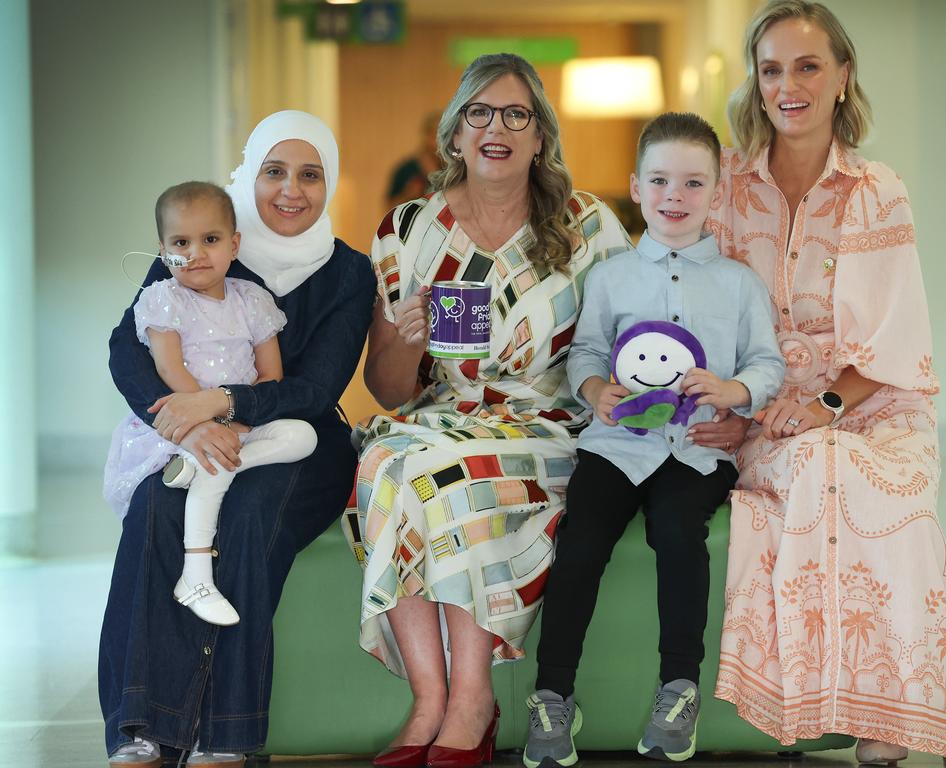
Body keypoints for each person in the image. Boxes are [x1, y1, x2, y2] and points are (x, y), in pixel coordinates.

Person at [705, 2, 946, 764]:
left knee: (879, 486)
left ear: (843, 76)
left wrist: (828, 403)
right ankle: (879, 707)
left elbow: (897, 337)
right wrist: (745, 404)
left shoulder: (879, 189)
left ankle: (889, 713)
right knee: (822, 467)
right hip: (767, 415)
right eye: (772, 69)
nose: (788, 85)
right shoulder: (725, 189)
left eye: (807, 66)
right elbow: (693, 312)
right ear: (756, 81)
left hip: (876, 403)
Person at [341, 53, 634, 768]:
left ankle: (473, 697)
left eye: (515, 114)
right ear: (455, 133)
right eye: (479, 112)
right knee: (382, 458)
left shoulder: (589, 226)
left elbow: (637, 343)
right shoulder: (407, 230)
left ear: (540, 137)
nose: (495, 127)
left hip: (550, 422)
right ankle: (430, 697)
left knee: (451, 473)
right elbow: (388, 391)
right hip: (443, 412)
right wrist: (408, 343)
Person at [100, 111, 376, 767]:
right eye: (274, 171)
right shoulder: (202, 244)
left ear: (329, 182)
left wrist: (222, 402)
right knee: (154, 507)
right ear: (249, 175)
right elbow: (127, 347)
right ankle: (141, 727)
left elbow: (314, 389)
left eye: (311, 174)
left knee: (250, 512)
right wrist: (187, 420)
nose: (291, 190)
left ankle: (226, 736)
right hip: (195, 433)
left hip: (299, 442)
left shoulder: (348, 273)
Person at [521, 113, 785, 767]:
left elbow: (768, 364)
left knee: (677, 534)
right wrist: (593, 391)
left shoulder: (740, 284)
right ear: (636, 187)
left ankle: (679, 689)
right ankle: (552, 697)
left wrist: (734, 391)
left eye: (694, 183)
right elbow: (583, 354)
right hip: (616, 445)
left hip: (696, 448)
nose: (676, 196)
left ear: (716, 194)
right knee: (579, 543)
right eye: (662, 180)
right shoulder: (611, 277)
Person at [103, 181, 318, 627]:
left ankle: (216, 464)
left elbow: (271, 376)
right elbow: (170, 371)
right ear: (163, 251)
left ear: (234, 244)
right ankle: (196, 574)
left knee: (304, 436)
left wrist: (237, 422)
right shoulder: (163, 299)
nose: (197, 252)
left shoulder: (252, 302)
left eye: (211, 240)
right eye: (182, 242)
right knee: (215, 466)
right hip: (185, 423)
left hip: (242, 421)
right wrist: (211, 421)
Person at [385, 110, 442, 210]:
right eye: (437, 135)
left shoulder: (454, 169)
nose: (442, 141)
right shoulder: (406, 170)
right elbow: (389, 209)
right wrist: (407, 196)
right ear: (427, 136)